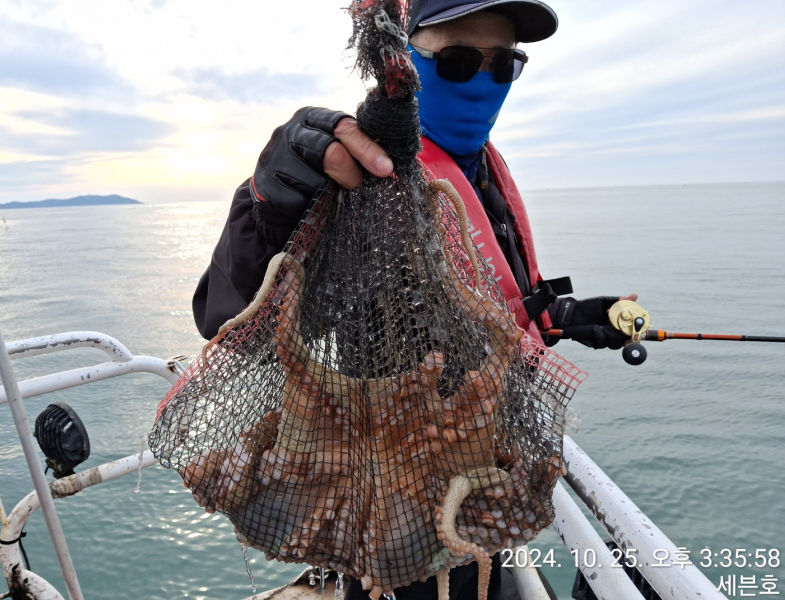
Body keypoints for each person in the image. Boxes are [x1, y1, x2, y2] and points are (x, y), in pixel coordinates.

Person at [193, 1, 635, 598]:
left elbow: (497, 310)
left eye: (504, 65)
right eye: (455, 61)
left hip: (479, 474)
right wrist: (265, 211)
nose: (484, 82)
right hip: (392, 504)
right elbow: (226, 315)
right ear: (406, 56)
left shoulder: (479, 168)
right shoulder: (361, 180)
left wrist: (571, 315)